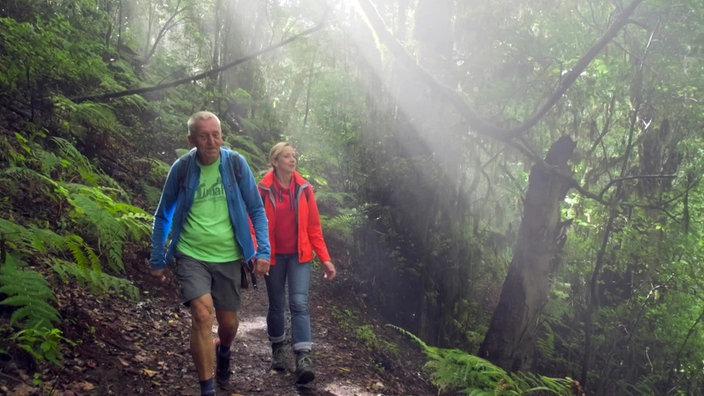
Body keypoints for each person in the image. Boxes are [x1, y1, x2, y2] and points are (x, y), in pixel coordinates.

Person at [149, 111, 271, 396]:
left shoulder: (236, 165)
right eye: (204, 136)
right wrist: (157, 257)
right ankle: (208, 389)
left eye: (215, 134)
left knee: (228, 323)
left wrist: (262, 250)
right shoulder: (181, 168)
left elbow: (256, 209)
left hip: (229, 256)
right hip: (191, 254)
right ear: (191, 139)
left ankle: (224, 350)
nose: (211, 141)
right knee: (203, 316)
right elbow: (162, 215)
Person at [257, 142, 336, 385]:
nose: (292, 160)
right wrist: (258, 253)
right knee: (277, 304)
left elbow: (314, 227)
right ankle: (278, 349)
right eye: (287, 156)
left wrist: (325, 258)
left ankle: (303, 356)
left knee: (299, 302)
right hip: (273, 256)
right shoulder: (263, 188)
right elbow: (255, 220)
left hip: (299, 255)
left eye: (294, 156)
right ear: (275, 161)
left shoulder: (304, 188)